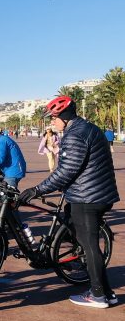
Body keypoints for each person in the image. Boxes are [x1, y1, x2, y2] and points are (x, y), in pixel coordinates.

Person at [19, 96, 119, 308]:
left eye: (54, 117)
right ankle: (108, 293)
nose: (52, 122)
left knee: (89, 246)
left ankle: (98, 295)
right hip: (97, 193)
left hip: (87, 197)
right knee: (86, 242)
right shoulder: (88, 128)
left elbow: (66, 171)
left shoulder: (75, 135)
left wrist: (36, 190)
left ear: (64, 117)